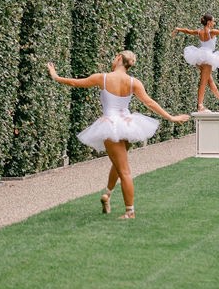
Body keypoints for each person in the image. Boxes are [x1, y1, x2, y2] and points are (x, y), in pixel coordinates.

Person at [46, 51, 189, 219]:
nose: (113, 60)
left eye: (115, 57)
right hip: (129, 125)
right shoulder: (133, 82)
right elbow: (149, 102)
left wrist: (55, 76)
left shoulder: (103, 78)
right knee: (119, 162)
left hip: (111, 125)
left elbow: (76, 83)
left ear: (120, 58)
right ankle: (107, 194)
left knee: (124, 170)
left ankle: (130, 212)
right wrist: (171, 117)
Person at [174, 14, 219, 113]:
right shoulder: (211, 32)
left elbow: (187, 31)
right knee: (203, 82)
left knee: (209, 80)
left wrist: (178, 29)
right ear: (209, 22)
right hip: (208, 58)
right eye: (213, 21)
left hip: (199, 57)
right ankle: (200, 106)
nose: (214, 23)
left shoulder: (199, 32)